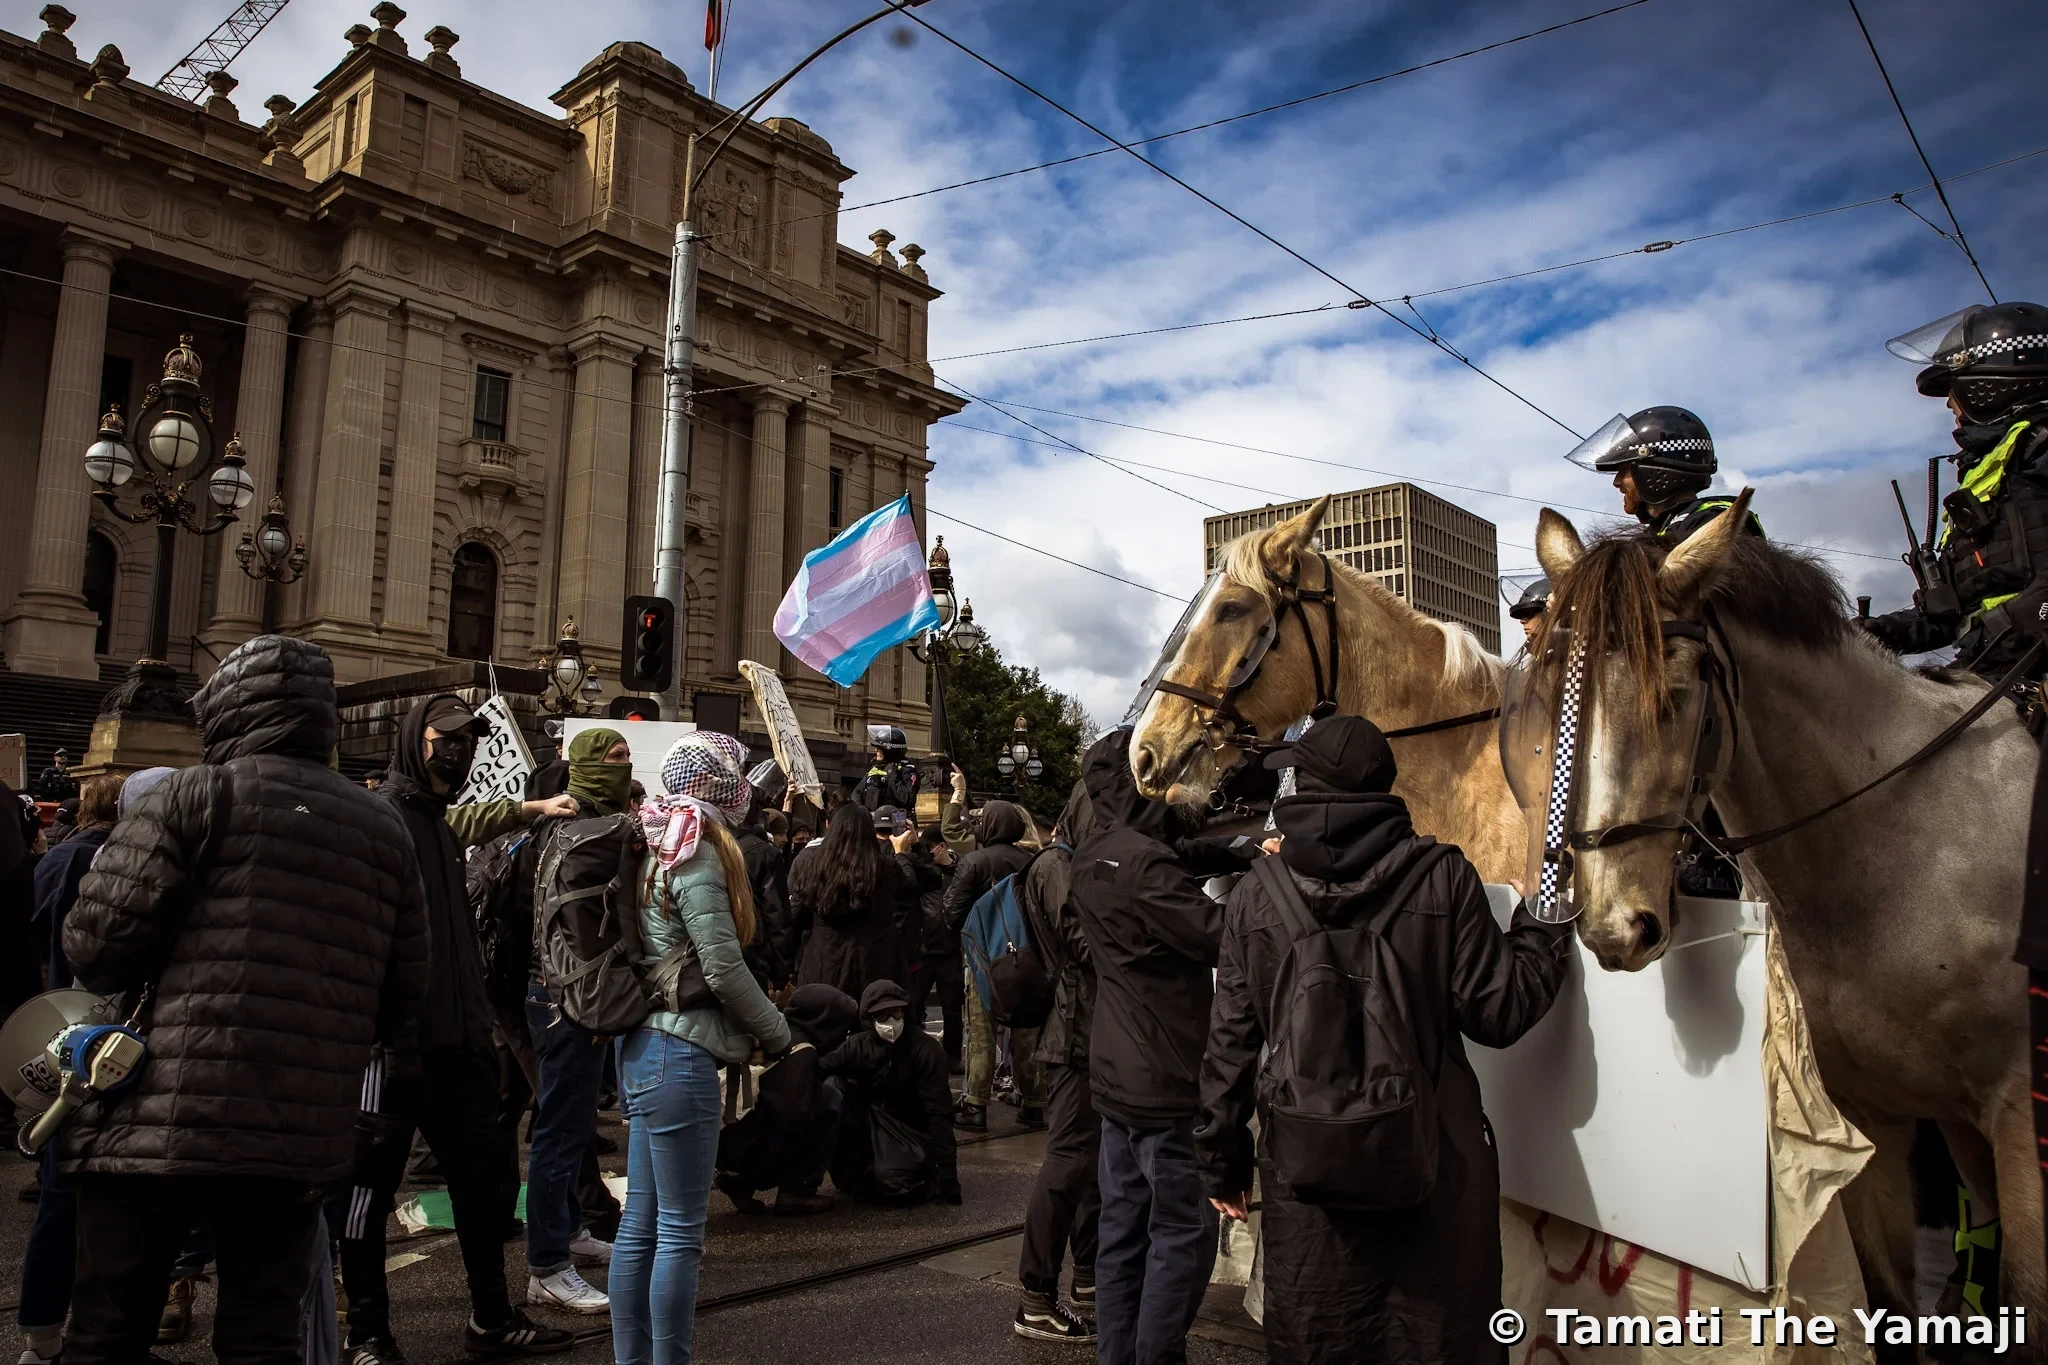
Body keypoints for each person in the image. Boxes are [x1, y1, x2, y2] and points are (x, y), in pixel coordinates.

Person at [55, 634, 430, 1365]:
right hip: (297, 1120)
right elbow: (402, 991)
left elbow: (94, 945)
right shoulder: (382, 827)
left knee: (108, 1324)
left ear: (227, 709)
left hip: (158, 1116)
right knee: (263, 1334)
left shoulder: (192, 795)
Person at [1196, 716, 1572, 1363]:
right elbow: (1502, 1010)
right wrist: (1542, 920)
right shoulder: (1444, 875)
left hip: (1307, 1183)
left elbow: (1228, 1044)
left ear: (1307, 785)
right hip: (1435, 1177)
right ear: (1381, 790)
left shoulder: (1257, 894)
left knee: (1320, 1338)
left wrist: (1223, 1166)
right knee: (1439, 1340)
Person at [1862, 302, 2048, 1324]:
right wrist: (1874, 631)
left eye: (1960, 395)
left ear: (2005, 387)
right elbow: (1942, 615)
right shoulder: (1967, 486)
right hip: (1986, 675)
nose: (1948, 418)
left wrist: (2016, 617)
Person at [331, 696, 575, 1364]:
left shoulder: (441, 825)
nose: (463, 749)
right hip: (392, 1046)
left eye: (473, 738)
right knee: (367, 1194)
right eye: (452, 737)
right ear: (420, 739)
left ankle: (492, 1316)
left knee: (485, 1185)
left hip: (459, 1042)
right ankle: (368, 1333)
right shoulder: (382, 820)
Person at [1069, 728, 1255, 1365]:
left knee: (1122, 1229)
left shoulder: (1096, 852)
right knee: (1181, 1232)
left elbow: (1173, 857)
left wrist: (1238, 851)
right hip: (1167, 1077)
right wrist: (1273, 890)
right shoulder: (1143, 863)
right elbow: (1217, 934)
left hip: (1117, 1075)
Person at [611, 733, 792, 1365]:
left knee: (640, 1226)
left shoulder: (653, 835)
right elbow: (723, 969)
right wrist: (778, 1034)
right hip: (681, 1054)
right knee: (680, 1235)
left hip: (640, 1047)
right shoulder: (696, 853)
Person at [523, 727, 636, 1314]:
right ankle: (546, 1265)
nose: (626, 765)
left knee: (569, 1126)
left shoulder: (583, 818)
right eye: (616, 758)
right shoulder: (574, 824)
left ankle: (566, 1232)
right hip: (563, 996)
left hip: (567, 991)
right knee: (558, 1132)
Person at [1014, 778, 1099, 1342]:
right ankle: (1036, 1296)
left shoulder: (1067, 863)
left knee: (1088, 1161)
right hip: (1071, 1032)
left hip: (1085, 1028)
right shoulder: (1054, 864)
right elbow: (1084, 942)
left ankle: (1087, 1277)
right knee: (1069, 1159)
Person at [715, 984, 860, 1216]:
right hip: (752, 1154)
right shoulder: (803, 1051)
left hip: (724, 1147)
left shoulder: (770, 1030)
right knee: (828, 1099)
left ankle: (737, 1184)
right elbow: (795, 1114)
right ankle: (797, 1190)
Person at [820, 980, 960, 1206]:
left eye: (896, 1013)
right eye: (883, 1016)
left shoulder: (925, 1051)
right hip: (871, 1125)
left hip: (910, 1131)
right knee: (831, 1087)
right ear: (870, 1019)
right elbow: (821, 1069)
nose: (891, 1022)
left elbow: (939, 1113)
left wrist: (948, 1177)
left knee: (893, 1184)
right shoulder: (856, 1046)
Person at [944, 798, 1038, 1132]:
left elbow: (952, 912)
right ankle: (1035, 1103)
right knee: (1026, 1030)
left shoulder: (974, 862)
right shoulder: (1032, 862)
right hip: (1025, 959)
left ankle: (975, 1105)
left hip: (983, 958)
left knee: (980, 1031)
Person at [1563, 405, 1764, 545]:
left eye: (1625, 470)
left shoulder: (1714, 524)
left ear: (1656, 468)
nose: (1617, 482)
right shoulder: (1657, 532)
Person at [791, 801, 912, 998]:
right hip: (874, 963)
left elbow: (796, 915)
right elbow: (908, 884)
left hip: (824, 961)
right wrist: (901, 854)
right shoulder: (884, 867)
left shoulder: (813, 863)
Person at [902, 824, 963, 1072]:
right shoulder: (924, 871)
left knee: (952, 1008)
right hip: (924, 947)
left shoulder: (961, 870)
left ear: (942, 846)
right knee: (914, 1003)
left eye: (929, 848)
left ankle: (952, 1056)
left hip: (949, 948)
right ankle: (914, 1053)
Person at [853, 725, 920, 813]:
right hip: (873, 822)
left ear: (889, 751)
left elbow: (907, 798)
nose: (875, 750)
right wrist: (864, 815)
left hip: (896, 823)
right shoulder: (874, 770)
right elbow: (856, 794)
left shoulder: (907, 770)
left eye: (879, 748)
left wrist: (892, 775)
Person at [1508, 576, 1549, 653]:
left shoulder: (1570, 649)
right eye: (1521, 616)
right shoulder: (1543, 654)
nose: (1522, 621)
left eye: (1529, 614)